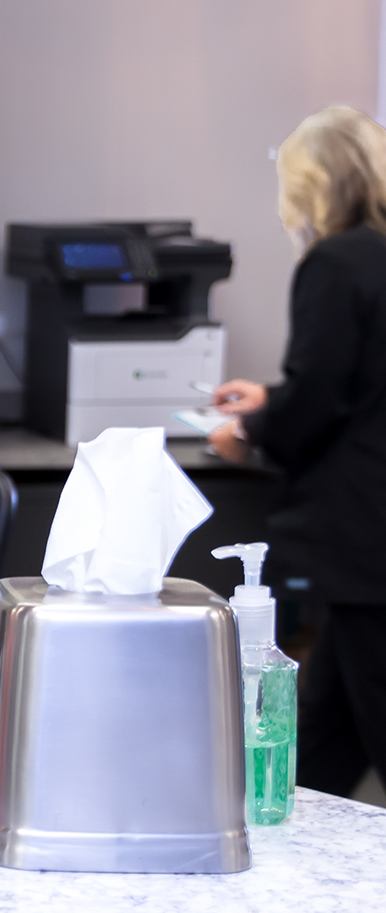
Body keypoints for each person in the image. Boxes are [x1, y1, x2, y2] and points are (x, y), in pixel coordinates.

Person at [209, 105, 386, 798]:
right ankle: (281, 841)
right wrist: (272, 399)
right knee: (324, 739)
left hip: (362, 537)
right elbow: (360, 382)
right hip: (372, 546)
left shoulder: (334, 262)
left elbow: (318, 400)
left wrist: (249, 431)